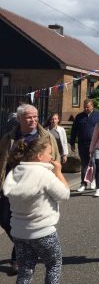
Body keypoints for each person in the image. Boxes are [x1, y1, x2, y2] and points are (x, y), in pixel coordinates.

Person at [0, 104, 61, 275]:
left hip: (37, 188)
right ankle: (25, 245)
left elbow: (55, 160)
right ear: (19, 119)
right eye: (29, 117)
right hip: (12, 186)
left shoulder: (46, 137)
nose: (33, 120)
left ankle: (17, 258)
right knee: (4, 218)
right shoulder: (9, 137)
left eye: (35, 116)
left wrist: (55, 182)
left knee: (28, 220)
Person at [2, 136, 70, 284]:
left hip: (19, 231)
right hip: (43, 231)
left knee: (25, 270)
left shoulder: (14, 173)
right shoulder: (45, 174)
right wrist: (58, 172)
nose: (51, 157)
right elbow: (64, 194)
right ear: (39, 156)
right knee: (53, 265)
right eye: (49, 153)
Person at [70, 99, 99, 192]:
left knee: (94, 163)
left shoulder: (98, 116)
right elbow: (74, 130)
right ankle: (83, 183)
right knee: (84, 164)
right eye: (84, 107)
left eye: (87, 107)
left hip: (95, 144)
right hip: (82, 144)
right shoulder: (79, 117)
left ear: (92, 106)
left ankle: (93, 180)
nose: (86, 108)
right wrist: (72, 142)